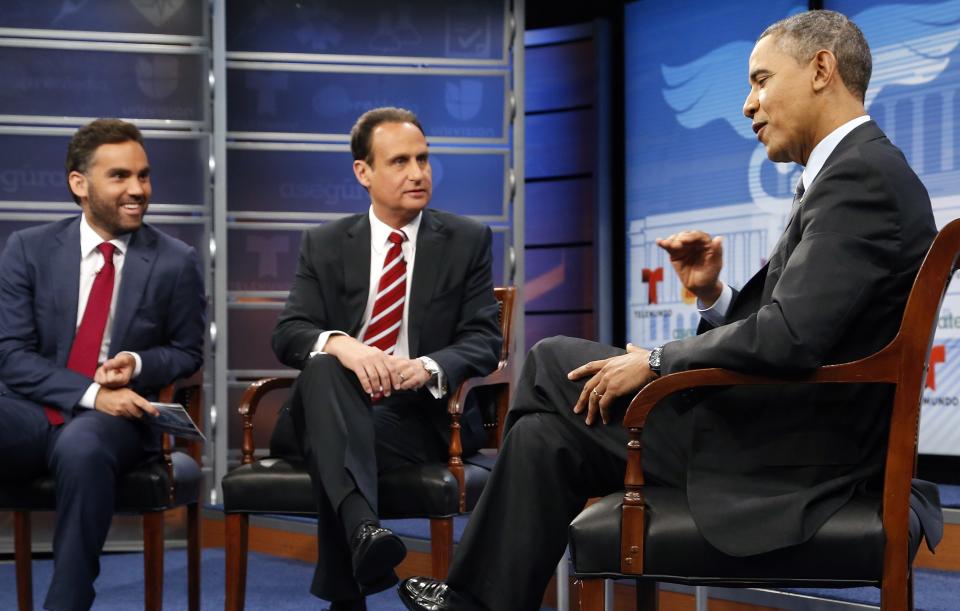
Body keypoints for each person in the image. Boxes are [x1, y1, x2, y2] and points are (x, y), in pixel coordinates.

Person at [398, 10, 943, 611]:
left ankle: (475, 600)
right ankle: (474, 604)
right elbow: (809, 324)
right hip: (783, 426)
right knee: (543, 438)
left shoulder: (860, 176)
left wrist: (656, 361)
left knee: (552, 361)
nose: (747, 105)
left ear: (821, 69)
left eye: (760, 80)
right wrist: (713, 295)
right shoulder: (857, 172)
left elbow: (790, 337)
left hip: (793, 452)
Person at [268, 106, 502, 610]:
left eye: (423, 159)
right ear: (363, 172)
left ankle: (356, 554)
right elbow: (288, 333)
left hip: (415, 416)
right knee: (326, 364)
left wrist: (427, 367)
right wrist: (342, 343)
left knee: (335, 443)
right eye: (399, 162)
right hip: (338, 404)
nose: (418, 173)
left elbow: (486, 339)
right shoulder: (326, 244)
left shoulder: (465, 240)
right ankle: (363, 532)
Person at [0, 119, 206, 611]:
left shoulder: (176, 260)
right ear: (80, 184)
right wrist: (93, 393)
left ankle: (67, 602)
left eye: (144, 175)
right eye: (119, 176)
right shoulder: (28, 250)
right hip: (32, 409)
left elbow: (187, 352)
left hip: (112, 425)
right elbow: (11, 354)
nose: (138, 190)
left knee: (82, 449)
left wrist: (134, 363)